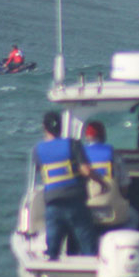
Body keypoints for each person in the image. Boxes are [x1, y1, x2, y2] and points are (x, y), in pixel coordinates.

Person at [33, 111, 108, 260]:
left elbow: (40, 170)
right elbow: (86, 170)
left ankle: (52, 267)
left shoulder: (38, 150)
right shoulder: (72, 144)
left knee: (52, 250)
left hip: (53, 204)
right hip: (75, 203)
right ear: (61, 127)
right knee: (88, 246)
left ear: (44, 128)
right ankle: (90, 268)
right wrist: (101, 182)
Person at [82, 121, 138, 229]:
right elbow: (124, 186)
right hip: (112, 211)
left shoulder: (79, 155)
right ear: (103, 136)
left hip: (86, 211)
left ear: (87, 137)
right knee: (134, 217)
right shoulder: (114, 154)